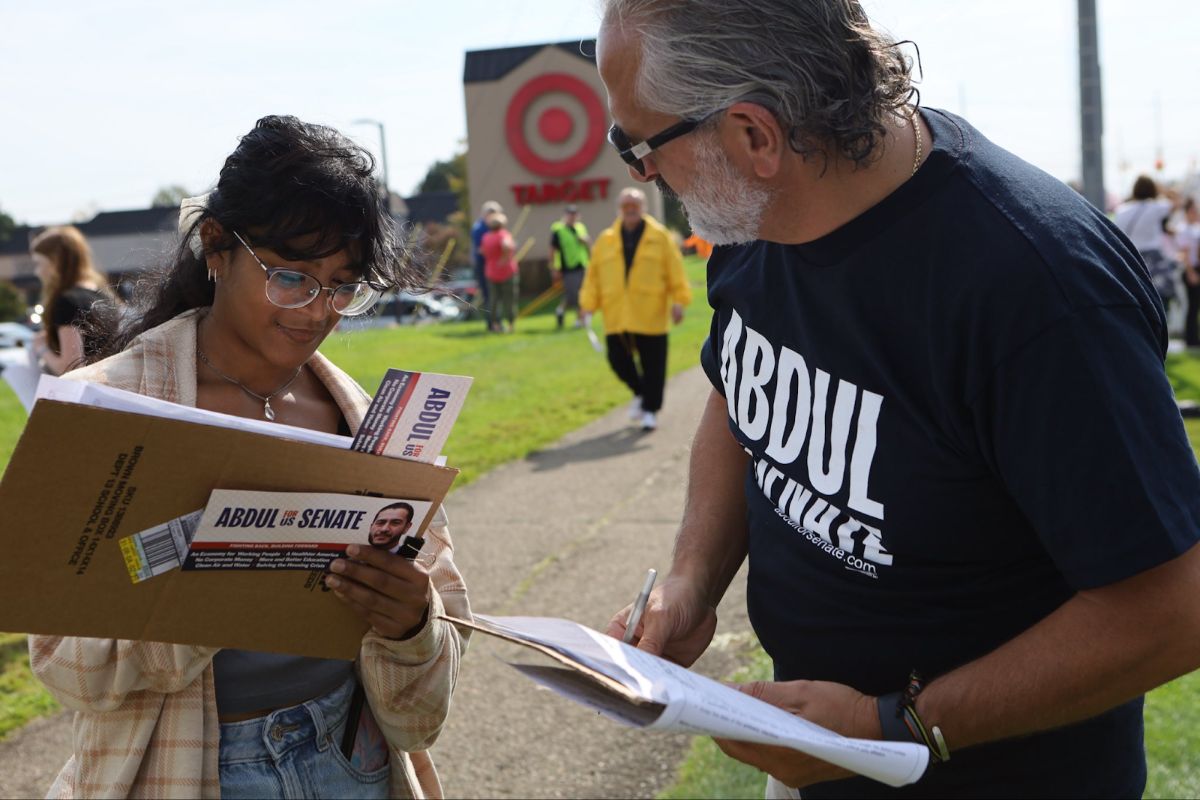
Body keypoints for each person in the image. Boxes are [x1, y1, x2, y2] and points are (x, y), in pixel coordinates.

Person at [596, 2, 1200, 797]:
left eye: (636, 144)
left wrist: (897, 727)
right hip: (821, 753)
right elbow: (737, 392)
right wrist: (692, 580)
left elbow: (1173, 607)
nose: (639, 175)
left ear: (753, 135)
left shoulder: (1035, 287)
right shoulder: (757, 222)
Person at [29, 116, 471, 799]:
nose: (315, 311)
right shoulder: (107, 408)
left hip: (355, 761)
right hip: (191, 773)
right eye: (291, 276)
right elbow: (63, 665)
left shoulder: (359, 420)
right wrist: (208, 601)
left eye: (342, 287)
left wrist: (412, 622)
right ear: (215, 247)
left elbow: (426, 698)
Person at [580, 188, 691, 431]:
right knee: (617, 359)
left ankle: (650, 410)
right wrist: (588, 305)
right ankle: (641, 393)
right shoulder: (605, 240)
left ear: (643, 207)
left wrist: (679, 301)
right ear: (619, 209)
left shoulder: (660, 237)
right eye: (626, 205)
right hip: (617, 313)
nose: (630, 209)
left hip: (650, 311)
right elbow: (593, 277)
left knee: (654, 364)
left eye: (635, 205)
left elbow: (675, 270)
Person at [28, 225, 114, 375]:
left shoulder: (66, 302)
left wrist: (41, 347)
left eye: (39, 264)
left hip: (85, 394)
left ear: (55, 264)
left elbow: (71, 367)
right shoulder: (102, 295)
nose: (37, 272)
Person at [1113, 175, 1181, 310]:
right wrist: (1161, 190)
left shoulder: (1121, 210)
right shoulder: (1156, 207)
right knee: (1160, 304)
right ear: (1152, 190)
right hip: (1154, 261)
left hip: (1130, 259)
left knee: (1136, 304)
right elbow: (1176, 203)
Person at [548, 204, 591, 329]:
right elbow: (552, 250)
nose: (572, 217)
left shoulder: (581, 228)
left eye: (574, 215)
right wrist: (553, 268)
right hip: (567, 268)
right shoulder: (558, 230)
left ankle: (564, 312)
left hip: (582, 264)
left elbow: (588, 245)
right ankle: (577, 318)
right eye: (570, 215)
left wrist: (587, 243)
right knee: (573, 295)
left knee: (580, 293)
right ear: (565, 216)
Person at [480, 212, 519, 333]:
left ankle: (495, 325)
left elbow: (482, 251)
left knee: (494, 300)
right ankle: (511, 324)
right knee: (509, 299)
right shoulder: (503, 235)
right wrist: (505, 258)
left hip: (491, 272)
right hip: (506, 271)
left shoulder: (486, 237)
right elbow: (507, 246)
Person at [471, 200, 503, 330]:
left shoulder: (495, 227)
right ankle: (492, 324)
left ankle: (498, 322)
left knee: (497, 295)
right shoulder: (479, 228)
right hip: (484, 265)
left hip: (495, 264)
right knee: (489, 295)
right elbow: (481, 249)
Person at [1175, 198, 1200, 347]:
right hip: (1190, 269)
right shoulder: (1183, 229)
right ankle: (1191, 339)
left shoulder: (1196, 227)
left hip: (1197, 267)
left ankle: (1194, 336)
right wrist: (1191, 272)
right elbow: (1185, 253)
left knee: (1196, 306)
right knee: (1192, 305)